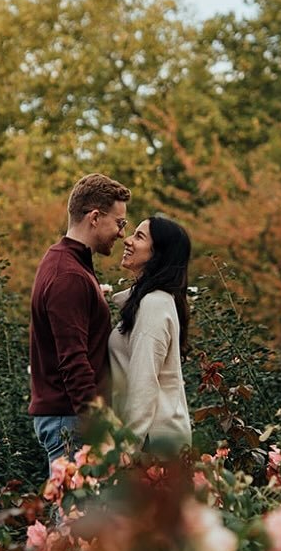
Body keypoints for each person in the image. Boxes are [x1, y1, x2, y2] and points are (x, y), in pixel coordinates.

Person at [29, 173, 131, 469]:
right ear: (95, 217)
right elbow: (73, 361)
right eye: (120, 223)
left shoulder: (66, 263)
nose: (122, 234)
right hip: (71, 419)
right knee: (76, 515)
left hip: (71, 416)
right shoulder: (69, 276)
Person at [108, 215, 192, 452]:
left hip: (152, 445)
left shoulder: (154, 305)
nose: (128, 240)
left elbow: (143, 386)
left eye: (140, 236)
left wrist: (124, 453)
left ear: (158, 254)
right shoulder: (151, 302)